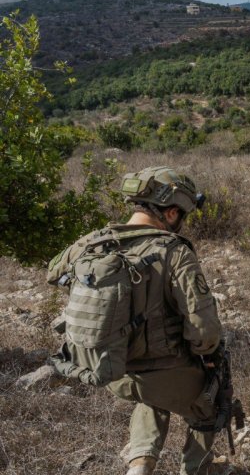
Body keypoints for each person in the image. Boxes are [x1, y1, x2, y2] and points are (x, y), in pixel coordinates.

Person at [47, 167, 225, 475]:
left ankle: (140, 465)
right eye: (181, 215)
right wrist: (208, 358)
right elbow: (204, 330)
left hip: (113, 370)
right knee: (207, 404)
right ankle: (197, 469)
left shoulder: (93, 241)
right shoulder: (175, 252)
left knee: (152, 396)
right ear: (171, 213)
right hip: (165, 370)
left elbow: (53, 273)